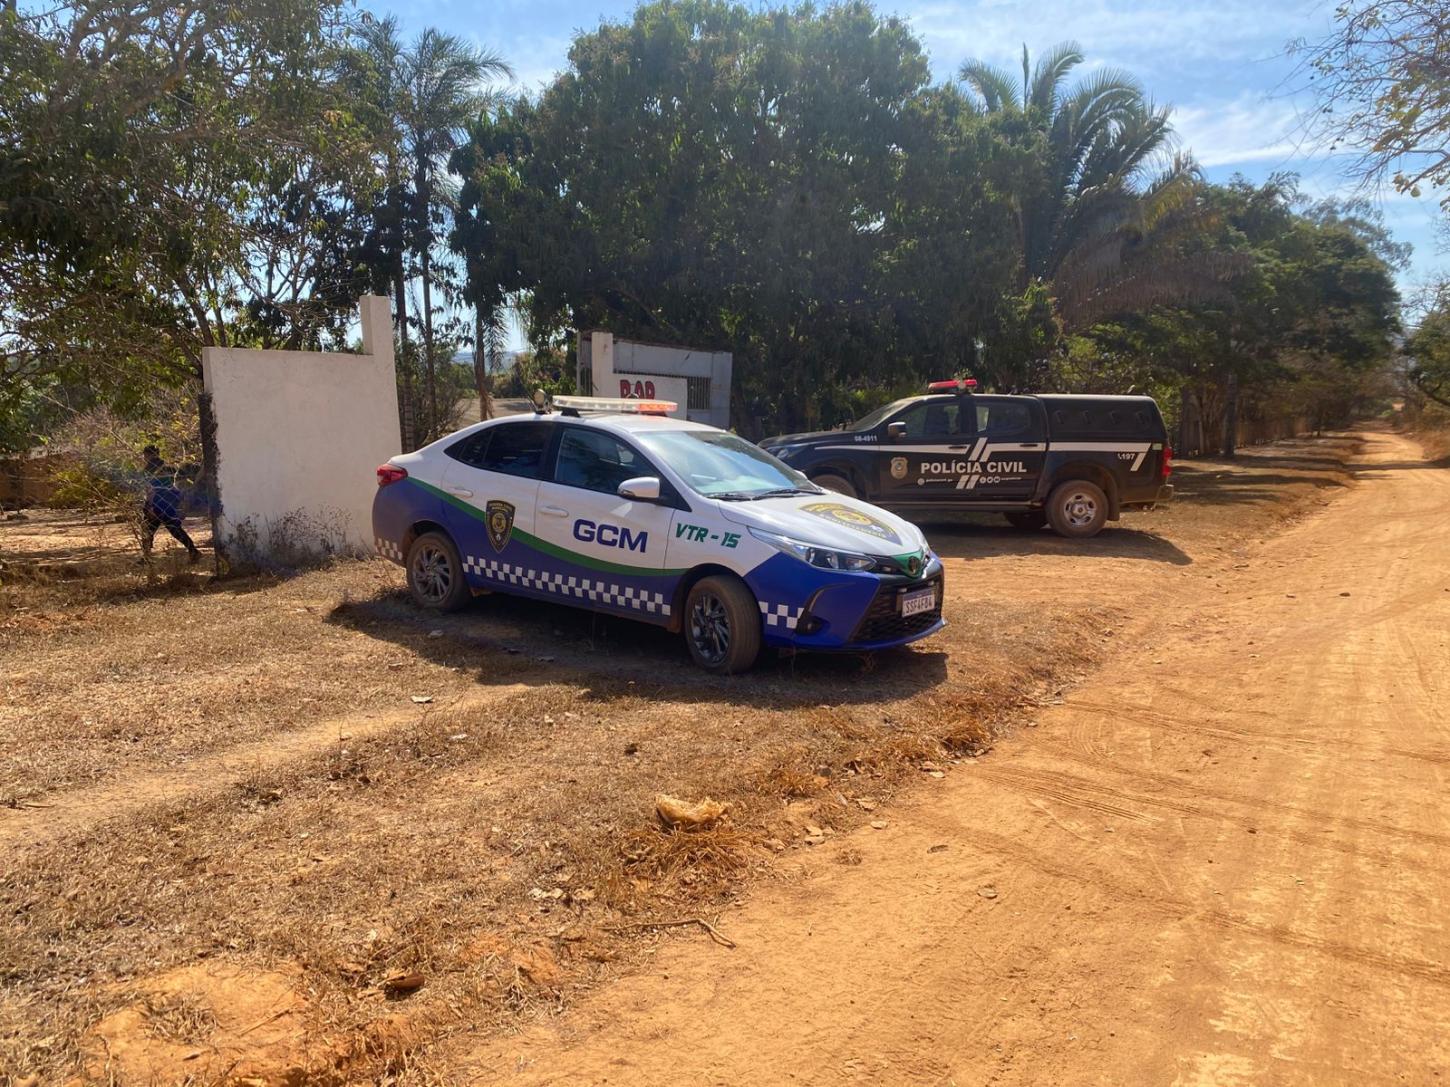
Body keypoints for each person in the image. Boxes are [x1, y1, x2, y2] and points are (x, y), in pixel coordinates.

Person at [139, 445, 201, 563]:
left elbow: (150, 490)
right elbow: (173, 485)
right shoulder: (170, 468)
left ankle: (146, 557)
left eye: (145, 455)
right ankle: (193, 551)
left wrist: (150, 507)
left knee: (147, 529)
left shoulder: (147, 470)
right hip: (168, 503)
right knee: (175, 529)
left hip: (156, 503)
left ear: (147, 455)